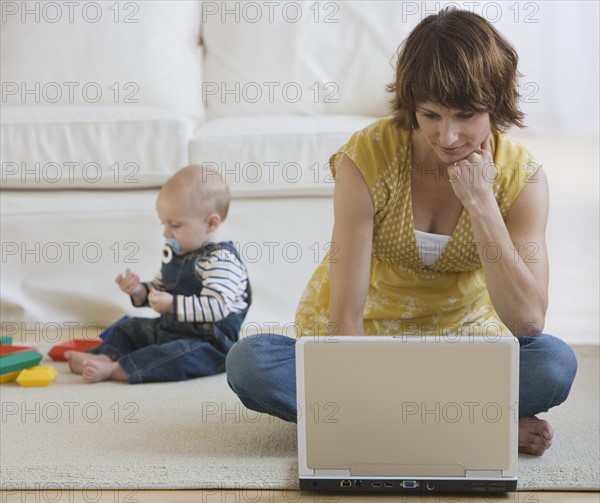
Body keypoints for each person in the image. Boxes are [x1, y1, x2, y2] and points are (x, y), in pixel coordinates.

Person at [225, 8, 577, 457]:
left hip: (463, 348)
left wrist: (482, 204)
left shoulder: (522, 179)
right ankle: (470, 427)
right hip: (363, 348)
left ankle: (374, 425)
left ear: (496, 104)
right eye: (430, 115)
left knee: (553, 362)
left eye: (465, 115)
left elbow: (527, 322)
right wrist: (370, 382)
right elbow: (344, 318)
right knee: (251, 362)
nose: (447, 136)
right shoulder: (366, 158)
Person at [66, 165, 251, 384]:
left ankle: (116, 369)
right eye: (163, 223)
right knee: (129, 327)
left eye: (175, 225)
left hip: (208, 345)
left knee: (175, 355)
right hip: (169, 330)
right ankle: (104, 355)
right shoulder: (178, 255)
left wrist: (172, 304)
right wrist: (139, 290)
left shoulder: (221, 261)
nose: (165, 232)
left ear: (210, 223)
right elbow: (159, 289)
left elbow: (217, 306)